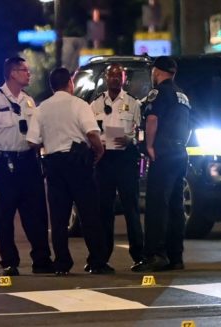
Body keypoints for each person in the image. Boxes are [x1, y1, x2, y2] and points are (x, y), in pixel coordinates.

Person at [26, 67, 114, 275]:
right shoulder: (79, 105)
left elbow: (31, 141)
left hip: (54, 164)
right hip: (78, 164)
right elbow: (92, 134)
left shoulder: (41, 108)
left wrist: (48, 144)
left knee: (59, 218)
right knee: (89, 214)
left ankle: (62, 263)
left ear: (52, 86)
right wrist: (99, 151)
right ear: (70, 83)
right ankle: (97, 261)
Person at [0, 56, 54, 276]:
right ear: (12, 73)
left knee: (36, 214)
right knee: (4, 216)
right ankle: (10, 262)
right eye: (24, 70)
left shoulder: (28, 101)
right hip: (3, 164)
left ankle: (41, 260)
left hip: (28, 162)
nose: (28, 74)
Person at [131, 56, 191, 272]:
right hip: (179, 152)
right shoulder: (182, 94)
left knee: (157, 205)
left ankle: (155, 255)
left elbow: (153, 119)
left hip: (164, 153)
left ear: (156, 71)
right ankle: (176, 257)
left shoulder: (160, 92)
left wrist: (149, 146)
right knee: (176, 206)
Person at [90, 63, 143, 267]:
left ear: (124, 79)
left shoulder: (133, 103)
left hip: (125, 159)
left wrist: (132, 140)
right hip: (104, 160)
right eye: (111, 75)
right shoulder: (94, 105)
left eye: (118, 75)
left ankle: (139, 256)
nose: (114, 78)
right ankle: (101, 258)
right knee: (104, 210)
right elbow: (90, 131)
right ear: (105, 78)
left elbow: (140, 133)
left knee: (131, 208)